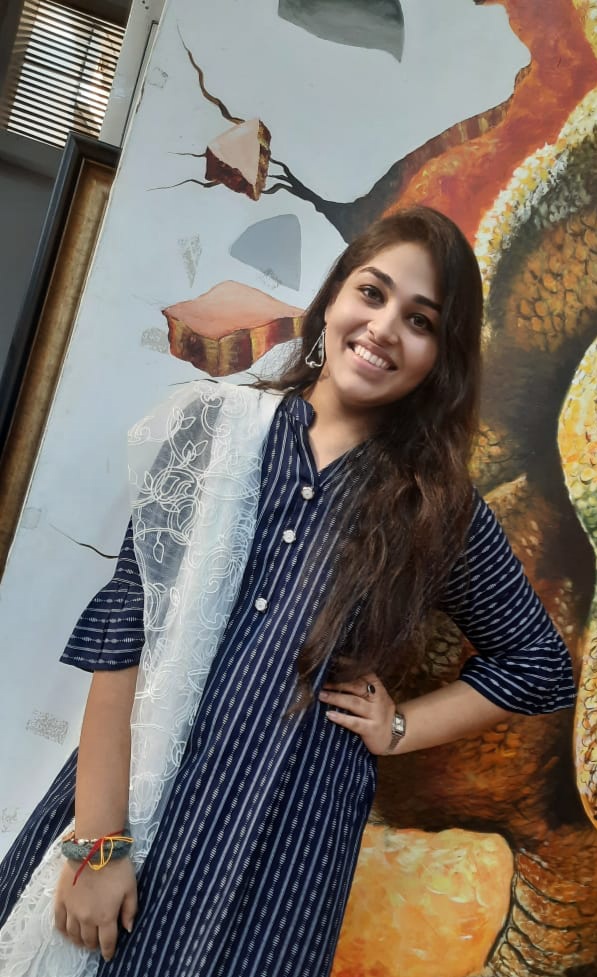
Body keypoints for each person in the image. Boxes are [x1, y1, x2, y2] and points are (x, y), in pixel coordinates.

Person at [0, 206, 575, 977]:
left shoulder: (436, 509)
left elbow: (538, 663)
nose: (383, 328)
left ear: (442, 356)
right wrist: (98, 845)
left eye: (420, 320)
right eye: (371, 293)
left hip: (284, 849)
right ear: (334, 296)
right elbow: (124, 628)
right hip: (129, 805)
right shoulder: (214, 429)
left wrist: (399, 725)